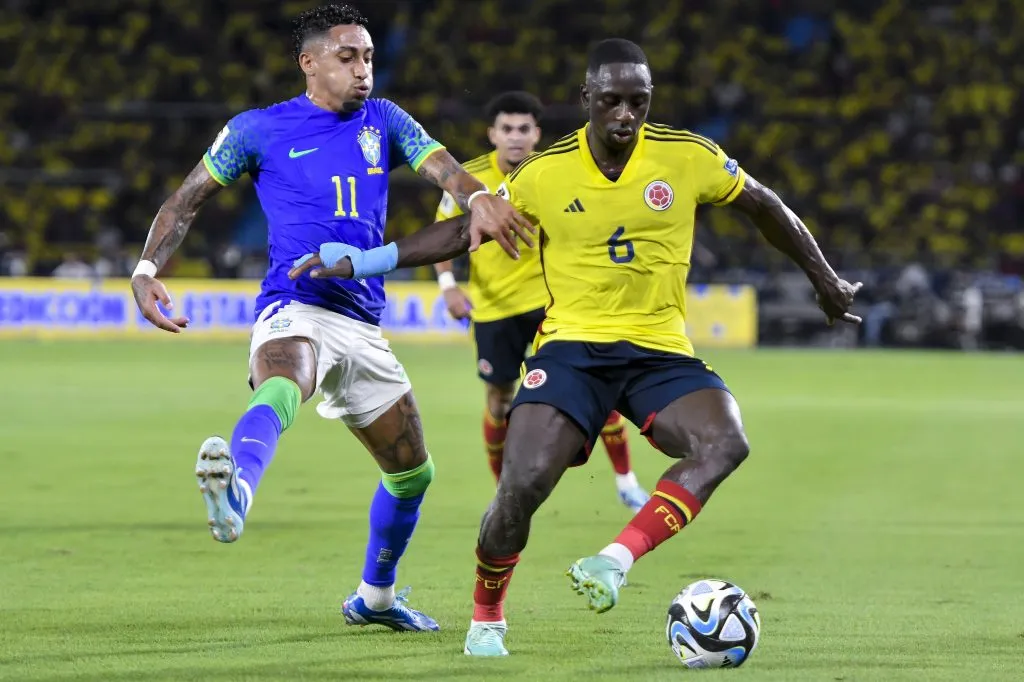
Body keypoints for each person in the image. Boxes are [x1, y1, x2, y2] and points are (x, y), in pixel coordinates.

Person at [287, 38, 862, 656]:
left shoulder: (688, 156)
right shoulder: (544, 172)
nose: (625, 115)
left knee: (727, 443)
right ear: (586, 98)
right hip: (572, 352)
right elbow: (464, 230)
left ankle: (615, 559)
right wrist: (365, 260)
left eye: (637, 102)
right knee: (521, 486)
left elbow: (765, 206)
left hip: (660, 352)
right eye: (611, 100)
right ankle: (487, 617)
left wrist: (825, 279)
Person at [128, 3, 532, 634]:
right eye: (347, 57)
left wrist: (477, 195)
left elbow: (446, 170)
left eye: (368, 56)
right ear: (309, 63)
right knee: (287, 376)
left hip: (364, 322)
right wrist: (147, 271)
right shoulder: (256, 130)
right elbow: (184, 202)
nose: (363, 69)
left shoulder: (385, 119)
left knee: (412, 474)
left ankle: (375, 598)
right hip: (296, 302)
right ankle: (236, 490)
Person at [432, 90, 649, 510]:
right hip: (494, 308)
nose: (515, 137)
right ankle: (505, 493)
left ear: (537, 134)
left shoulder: (557, 172)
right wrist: (449, 287)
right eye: (507, 129)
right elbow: (442, 236)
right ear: (492, 134)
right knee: (499, 399)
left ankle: (626, 481)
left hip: (555, 305)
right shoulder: (470, 181)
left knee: (596, 390)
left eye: (524, 129)